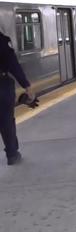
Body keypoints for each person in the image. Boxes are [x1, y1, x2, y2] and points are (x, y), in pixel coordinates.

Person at [0, 30, 35, 165]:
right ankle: (12, 154)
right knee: (6, 121)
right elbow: (13, 65)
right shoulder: (2, 41)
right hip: (2, 86)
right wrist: (26, 85)